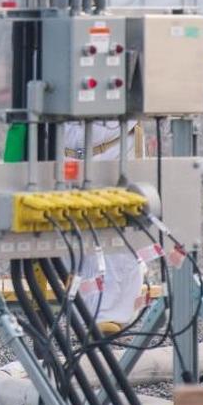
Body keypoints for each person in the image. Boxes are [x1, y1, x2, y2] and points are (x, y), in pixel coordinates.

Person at [62, 120, 147, 328]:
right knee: (68, 231)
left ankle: (111, 316)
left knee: (117, 227)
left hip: (115, 143)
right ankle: (88, 316)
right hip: (64, 145)